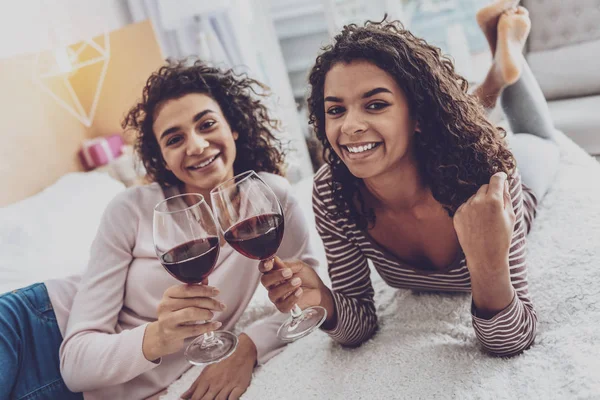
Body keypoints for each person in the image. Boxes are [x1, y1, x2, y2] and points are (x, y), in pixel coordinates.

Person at [0, 60, 321, 399]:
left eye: (207, 124)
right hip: (35, 327)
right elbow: (76, 364)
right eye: (174, 139)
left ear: (234, 127)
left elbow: (312, 292)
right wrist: (159, 336)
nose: (196, 145)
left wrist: (248, 346)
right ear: (163, 159)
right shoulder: (132, 209)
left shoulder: (269, 198)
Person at [260, 2, 560, 357]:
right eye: (336, 110)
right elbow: (358, 325)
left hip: (514, 192)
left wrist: (488, 264)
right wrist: (322, 298)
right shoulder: (333, 192)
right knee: (463, 120)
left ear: (418, 115)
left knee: (541, 139)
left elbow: (512, 340)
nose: (350, 126)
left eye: (375, 105)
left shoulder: (488, 177)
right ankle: (497, 68)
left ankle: (501, 65)